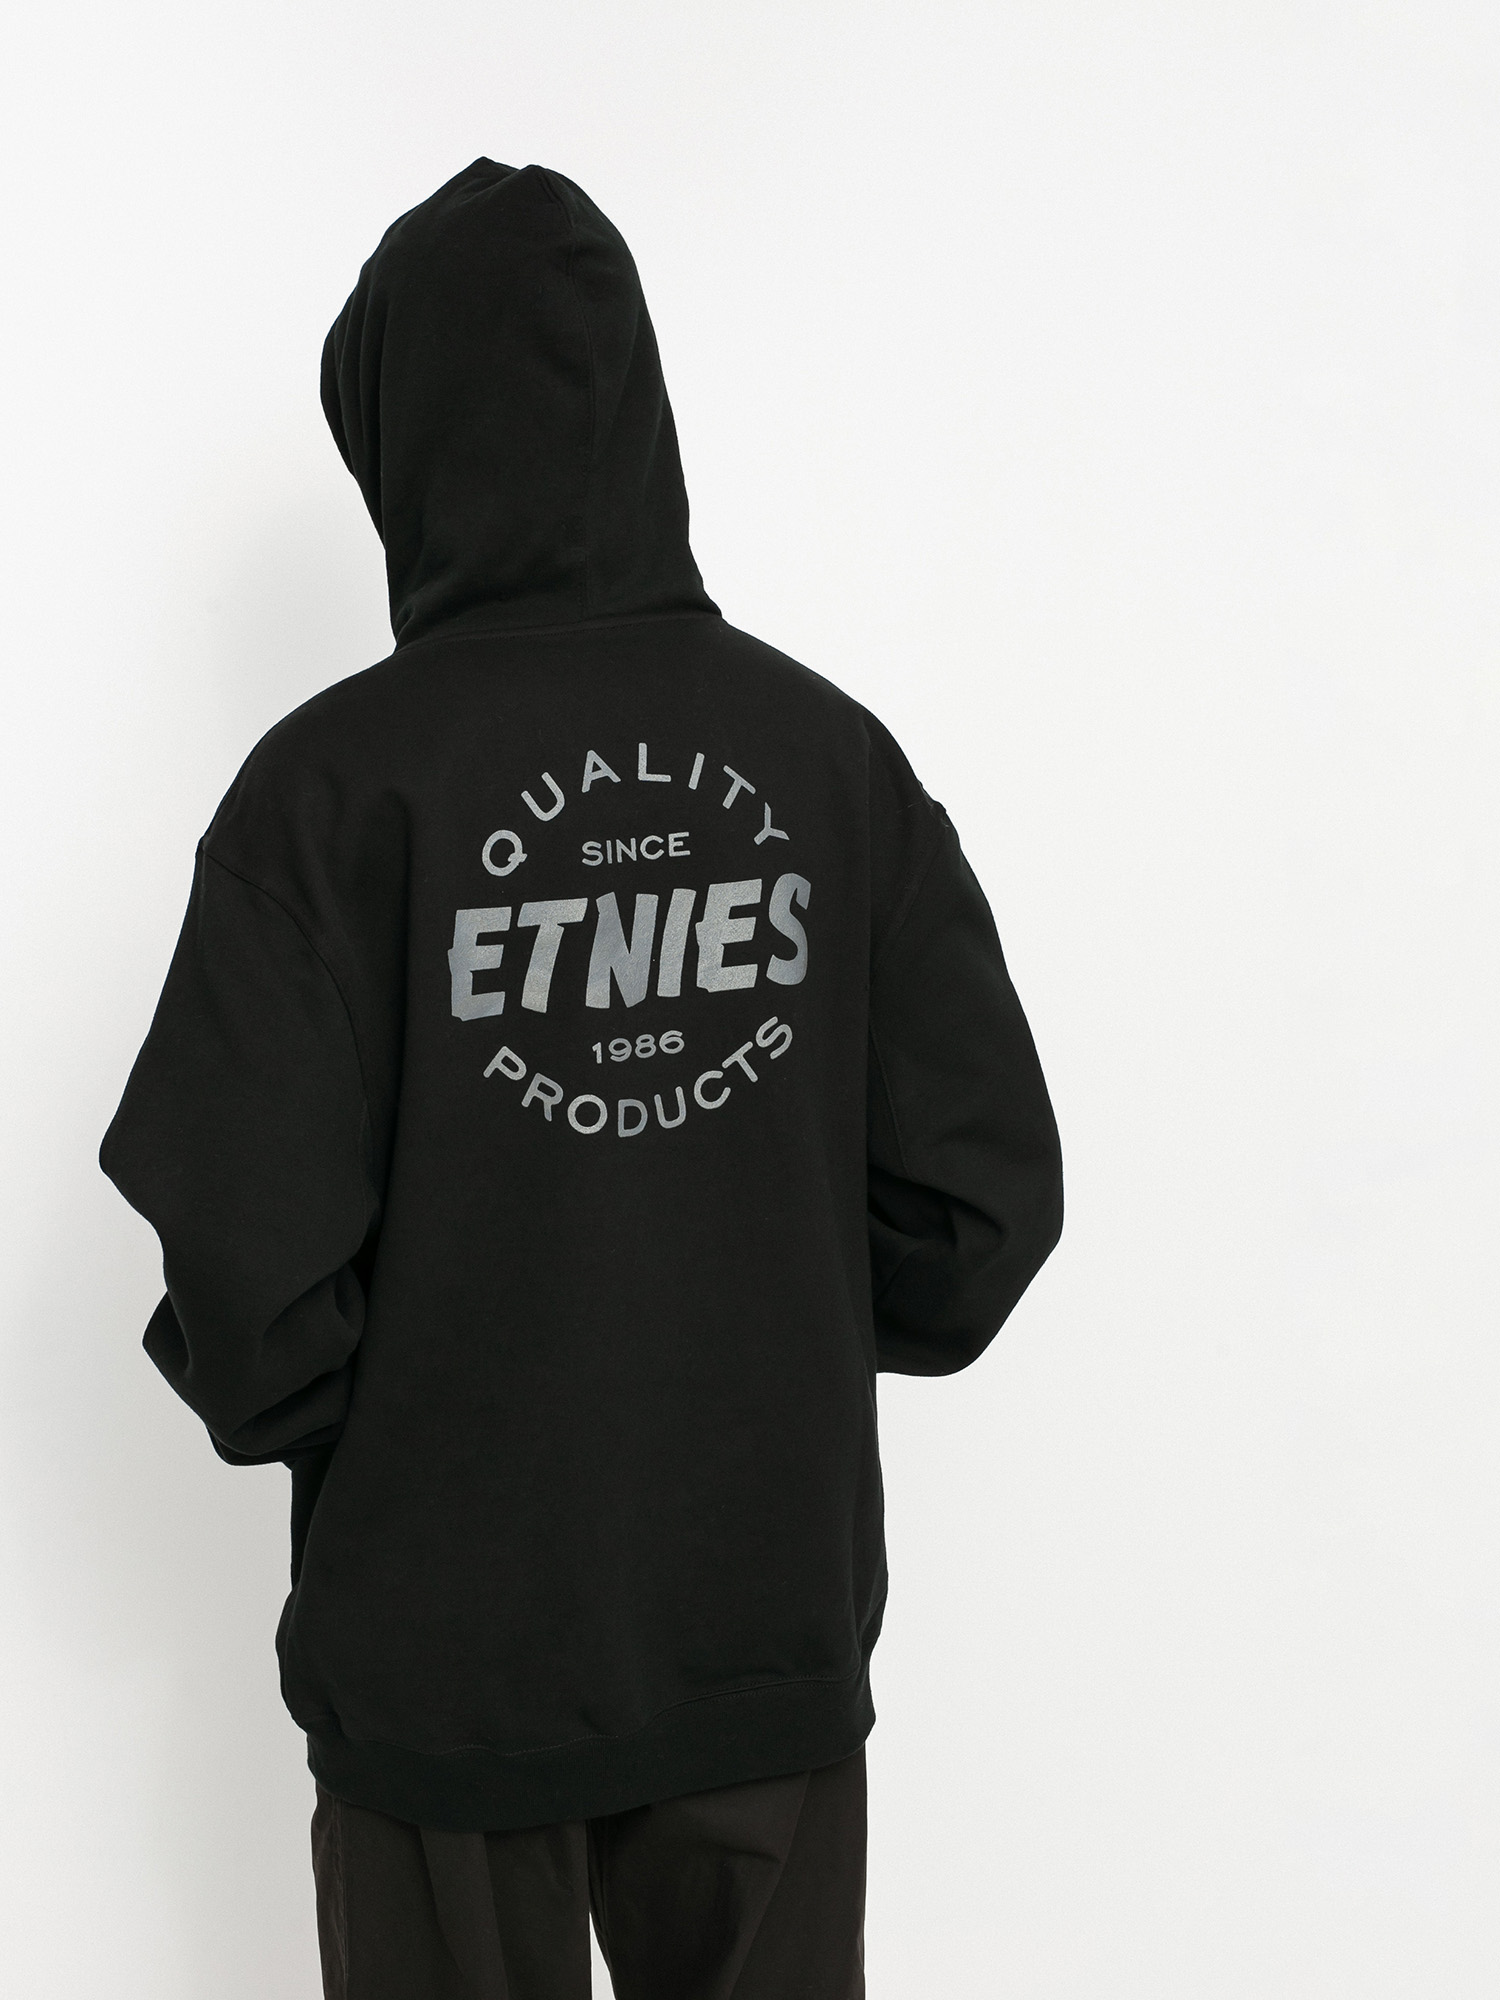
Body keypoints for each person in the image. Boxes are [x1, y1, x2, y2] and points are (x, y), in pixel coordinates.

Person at [100, 159, 1063, 2000]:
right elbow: (979, 1210)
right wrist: (742, 1320)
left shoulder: (327, 795)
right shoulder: (831, 763)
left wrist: (425, 1415)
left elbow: (250, 1294)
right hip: (757, 1631)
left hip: (443, 1670)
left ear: (402, 442)